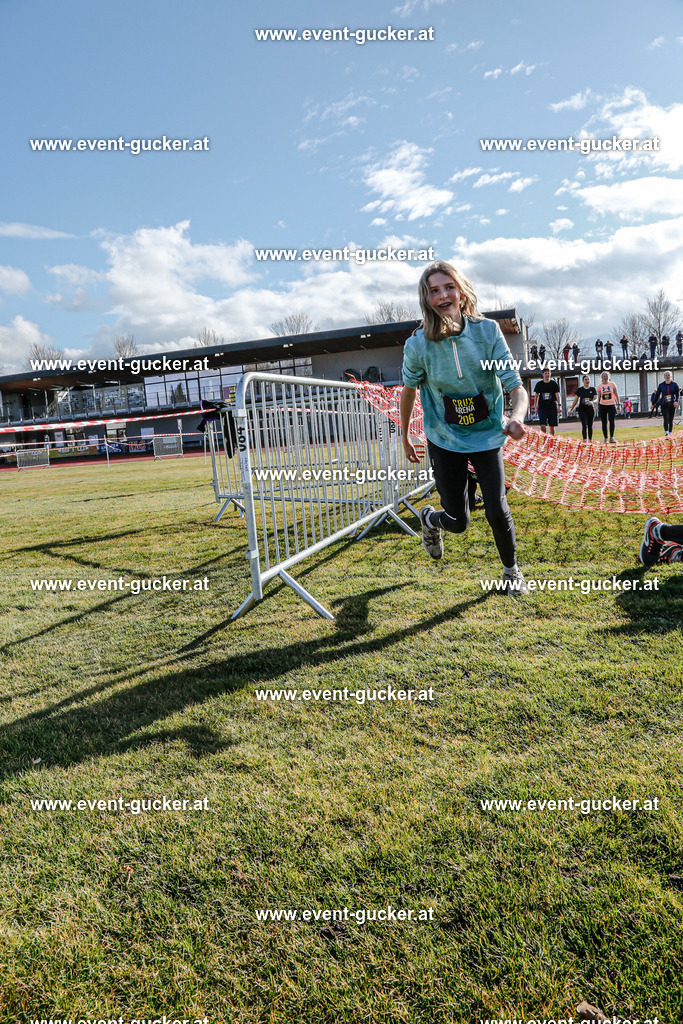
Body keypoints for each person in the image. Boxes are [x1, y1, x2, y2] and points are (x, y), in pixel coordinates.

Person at [400, 260, 529, 595]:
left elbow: (516, 386)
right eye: (434, 291)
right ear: (426, 299)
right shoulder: (417, 345)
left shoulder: (486, 332)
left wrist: (517, 417)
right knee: (459, 521)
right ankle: (431, 520)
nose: (443, 295)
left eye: (448, 287)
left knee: (498, 506)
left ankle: (511, 573)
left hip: (487, 433)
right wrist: (405, 434)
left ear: (461, 290)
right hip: (444, 438)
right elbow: (409, 390)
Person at [533, 367, 561, 436]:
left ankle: (551, 440)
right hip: (542, 407)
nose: (547, 375)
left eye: (548, 373)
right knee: (542, 424)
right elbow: (536, 396)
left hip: (552, 407)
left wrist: (559, 405)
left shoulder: (554, 384)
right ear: (543, 374)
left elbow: (557, 395)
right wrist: (536, 407)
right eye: (546, 373)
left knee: (552, 426)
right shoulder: (539, 384)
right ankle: (545, 438)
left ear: (550, 374)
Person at [569, 374, 597, 441]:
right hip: (582, 409)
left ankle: (590, 440)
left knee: (590, 425)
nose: (587, 381)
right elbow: (575, 400)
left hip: (590, 409)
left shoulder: (592, 389)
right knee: (584, 424)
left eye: (588, 379)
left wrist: (592, 402)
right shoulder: (580, 390)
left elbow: (596, 399)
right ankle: (584, 440)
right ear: (583, 381)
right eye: (585, 379)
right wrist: (571, 409)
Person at [652, 371, 680, 436]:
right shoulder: (661, 385)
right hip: (664, 404)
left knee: (671, 419)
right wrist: (653, 404)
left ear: (671, 376)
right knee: (666, 418)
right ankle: (666, 433)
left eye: (668, 375)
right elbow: (657, 395)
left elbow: (677, 394)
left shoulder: (674, 385)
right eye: (666, 375)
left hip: (672, 404)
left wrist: (676, 401)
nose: (667, 376)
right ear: (664, 377)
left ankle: (670, 432)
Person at [597, 370, 620, 442]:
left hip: (611, 405)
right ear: (602, 378)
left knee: (612, 421)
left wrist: (618, 404)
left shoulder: (612, 384)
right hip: (602, 405)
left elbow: (616, 394)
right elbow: (598, 397)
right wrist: (597, 406)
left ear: (609, 377)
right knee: (604, 422)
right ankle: (606, 438)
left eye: (606, 376)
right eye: (604, 376)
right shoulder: (599, 386)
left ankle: (612, 437)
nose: (605, 377)